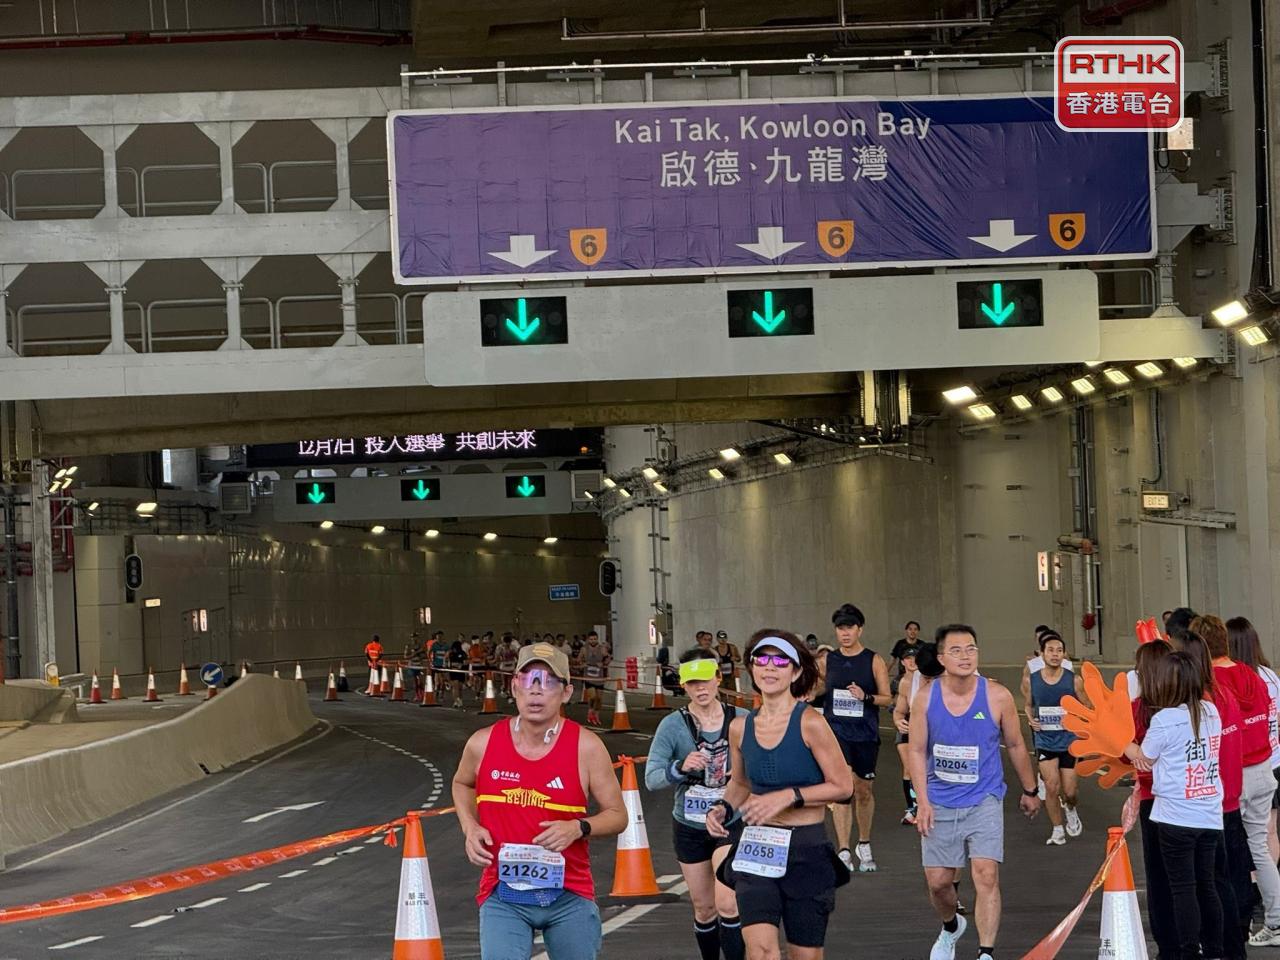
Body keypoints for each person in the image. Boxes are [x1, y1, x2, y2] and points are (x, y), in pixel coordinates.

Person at [451, 642, 627, 960]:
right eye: (529, 679)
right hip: (503, 893)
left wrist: (579, 827)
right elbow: (462, 783)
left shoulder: (586, 747)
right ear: (514, 685)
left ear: (567, 692)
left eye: (548, 682)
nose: (536, 690)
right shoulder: (483, 743)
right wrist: (470, 826)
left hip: (569, 894)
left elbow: (617, 815)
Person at [705, 630, 853, 960]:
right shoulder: (740, 728)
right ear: (752, 669)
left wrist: (789, 796)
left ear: (796, 671)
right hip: (756, 846)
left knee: (805, 955)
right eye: (762, 659)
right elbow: (740, 784)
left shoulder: (811, 723)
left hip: (806, 848)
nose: (770, 668)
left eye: (780, 660)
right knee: (760, 951)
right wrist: (721, 807)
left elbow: (843, 786)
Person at [909, 624, 1040, 960]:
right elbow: (916, 750)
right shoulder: (925, 698)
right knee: (939, 884)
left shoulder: (997, 696)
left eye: (971, 649)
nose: (965, 656)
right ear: (941, 658)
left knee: (986, 873)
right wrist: (921, 801)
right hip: (939, 800)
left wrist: (1031, 789)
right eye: (956, 650)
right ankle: (951, 926)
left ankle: (985, 953)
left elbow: (1014, 743)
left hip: (985, 797)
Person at [646, 649, 747, 960]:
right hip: (689, 825)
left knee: (728, 903)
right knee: (704, 909)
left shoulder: (742, 721)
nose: (700, 689)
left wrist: (743, 774)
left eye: (705, 681)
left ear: (719, 679)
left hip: (729, 822)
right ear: (683, 686)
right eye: (692, 684)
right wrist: (680, 767)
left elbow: (767, 765)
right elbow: (651, 778)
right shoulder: (672, 726)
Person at [1124, 651, 1225, 960]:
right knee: (1206, 885)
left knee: (1182, 888)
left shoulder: (1165, 719)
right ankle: (1215, 949)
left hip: (1176, 817)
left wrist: (1121, 742)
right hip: (1209, 813)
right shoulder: (1210, 711)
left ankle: (1187, 950)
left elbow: (1144, 758)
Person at [1194, 613, 1280, 948]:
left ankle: (1227, 929)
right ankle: (1274, 920)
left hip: (1231, 775)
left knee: (1221, 856)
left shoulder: (1210, 682)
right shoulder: (1252, 674)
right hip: (1263, 769)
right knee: (1258, 847)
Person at [817, 603, 891, 873]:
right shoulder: (828, 660)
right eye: (840, 628)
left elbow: (886, 697)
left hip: (865, 734)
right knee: (844, 786)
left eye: (850, 627)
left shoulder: (874, 660)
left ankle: (864, 842)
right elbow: (814, 686)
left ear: (860, 629)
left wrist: (866, 696)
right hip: (836, 733)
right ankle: (844, 849)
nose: (845, 633)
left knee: (863, 790)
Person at [1023, 631, 1086, 845]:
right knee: (1051, 786)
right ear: (1042, 654)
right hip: (1045, 740)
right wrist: (1031, 720)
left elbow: (1086, 707)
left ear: (1064, 655)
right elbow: (1028, 705)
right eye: (1050, 650)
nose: (1055, 654)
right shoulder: (1032, 680)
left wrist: (1078, 723)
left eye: (1059, 651)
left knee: (1069, 790)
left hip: (1068, 740)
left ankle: (1070, 807)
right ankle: (1057, 829)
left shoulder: (1074, 681)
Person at [1227, 616, 1280, 869]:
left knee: (1240, 834)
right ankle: (1266, 886)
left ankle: (1249, 886)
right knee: (1269, 831)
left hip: (1245, 764)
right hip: (1274, 760)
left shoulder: (1231, 679)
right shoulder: (1270, 677)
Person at [892, 643, 925, 826]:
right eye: (908, 658)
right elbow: (897, 709)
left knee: (923, 768)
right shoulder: (902, 682)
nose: (912, 662)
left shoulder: (931, 678)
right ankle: (912, 806)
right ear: (903, 662)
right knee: (909, 768)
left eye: (915, 658)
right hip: (907, 726)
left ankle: (923, 804)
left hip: (924, 727)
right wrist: (898, 721)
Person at [580, 631, 610, 727]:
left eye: (595, 639)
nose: (593, 641)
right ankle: (590, 711)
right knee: (592, 697)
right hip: (588, 677)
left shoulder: (602, 649)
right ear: (588, 640)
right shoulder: (584, 649)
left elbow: (608, 658)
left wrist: (604, 664)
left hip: (599, 677)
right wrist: (582, 664)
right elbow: (578, 661)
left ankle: (596, 715)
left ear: (597, 639)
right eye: (591, 639)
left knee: (599, 699)